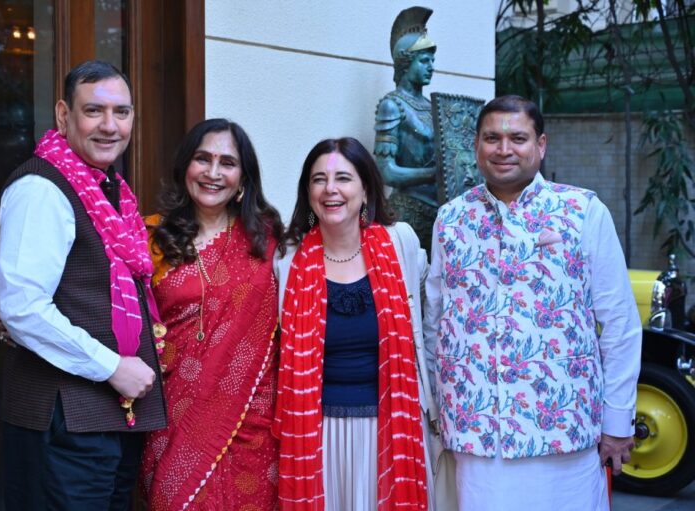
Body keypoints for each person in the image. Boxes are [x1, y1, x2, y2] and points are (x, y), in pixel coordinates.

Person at [423, 95, 641, 511]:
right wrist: (438, 415)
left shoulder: (581, 211)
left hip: (562, 437)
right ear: (476, 146)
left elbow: (619, 324)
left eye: (517, 138)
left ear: (541, 145)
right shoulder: (451, 219)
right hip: (476, 436)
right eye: (492, 138)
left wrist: (617, 422)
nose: (504, 149)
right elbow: (436, 319)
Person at [0, 60, 167, 510]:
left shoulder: (110, 192)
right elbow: (23, 308)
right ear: (62, 115)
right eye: (94, 111)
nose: (110, 126)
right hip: (63, 424)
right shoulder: (41, 189)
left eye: (122, 112)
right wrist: (113, 367)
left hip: (102, 422)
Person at [273, 137, 452, 510]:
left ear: (366, 188)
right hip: (315, 437)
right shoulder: (287, 262)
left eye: (344, 178)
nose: (331, 189)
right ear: (307, 193)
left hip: (392, 431)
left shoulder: (400, 245)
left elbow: (434, 328)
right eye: (319, 179)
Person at [139, 119, 284, 510]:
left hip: (254, 422)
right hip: (174, 414)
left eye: (227, 163)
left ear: (243, 180)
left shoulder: (270, 243)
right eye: (203, 159)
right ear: (185, 166)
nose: (213, 173)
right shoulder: (150, 237)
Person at [374, 6, 438, 250]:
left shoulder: (433, 107)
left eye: (432, 60)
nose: (430, 66)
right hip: (407, 211)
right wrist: (433, 174)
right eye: (424, 60)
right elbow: (386, 172)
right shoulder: (392, 106)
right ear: (405, 61)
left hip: (437, 210)